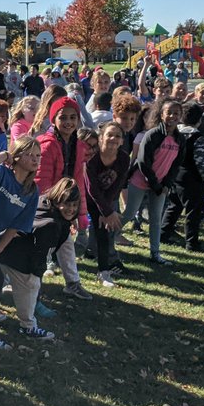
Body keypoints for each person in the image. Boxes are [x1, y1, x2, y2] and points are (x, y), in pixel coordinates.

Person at [0, 136, 46, 338]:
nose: (35, 160)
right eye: (30, 154)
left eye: (38, 156)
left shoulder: (31, 191)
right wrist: (7, 154)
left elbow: (17, 226)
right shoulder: (2, 174)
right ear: (16, 156)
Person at [0, 179, 79, 343]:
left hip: (4, 247)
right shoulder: (51, 225)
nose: (71, 209)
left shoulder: (42, 202)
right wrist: (36, 273)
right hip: (21, 260)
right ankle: (28, 326)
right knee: (30, 290)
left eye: (75, 205)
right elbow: (42, 253)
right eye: (67, 204)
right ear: (57, 201)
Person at [35, 97, 94, 300]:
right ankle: (34, 285)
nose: (68, 122)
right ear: (54, 119)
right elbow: (41, 182)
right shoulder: (47, 144)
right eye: (63, 117)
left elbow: (78, 181)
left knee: (65, 243)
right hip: (46, 204)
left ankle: (72, 283)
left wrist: (81, 211)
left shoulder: (78, 145)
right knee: (41, 247)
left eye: (73, 117)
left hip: (64, 203)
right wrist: (51, 207)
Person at [122, 98, 183, 266]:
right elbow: (143, 161)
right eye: (168, 112)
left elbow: (176, 165)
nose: (172, 116)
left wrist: (165, 185)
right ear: (161, 115)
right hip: (141, 181)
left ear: (181, 116)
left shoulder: (179, 139)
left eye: (176, 113)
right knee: (129, 212)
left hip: (160, 186)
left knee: (156, 218)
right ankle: (105, 241)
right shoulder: (153, 135)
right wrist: (154, 183)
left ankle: (155, 253)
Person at [85, 122, 130, 287]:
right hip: (83, 197)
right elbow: (91, 188)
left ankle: (103, 272)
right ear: (101, 138)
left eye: (117, 136)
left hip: (105, 199)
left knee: (104, 231)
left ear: (122, 141)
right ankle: (51, 261)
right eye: (109, 135)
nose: (113, 139)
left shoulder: (124, 158)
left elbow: (117, 185)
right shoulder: (92, 157)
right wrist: (106, 211)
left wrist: (107, 211)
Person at [168, 103, 204, 250]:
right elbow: (201, 162)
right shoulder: (198, 137)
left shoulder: (175, 133)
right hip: (193, 178)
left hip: (175, 174)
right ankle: (191, 242)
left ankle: (163, 233)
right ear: (199, 120)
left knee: (173, 206)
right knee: (193, 211)